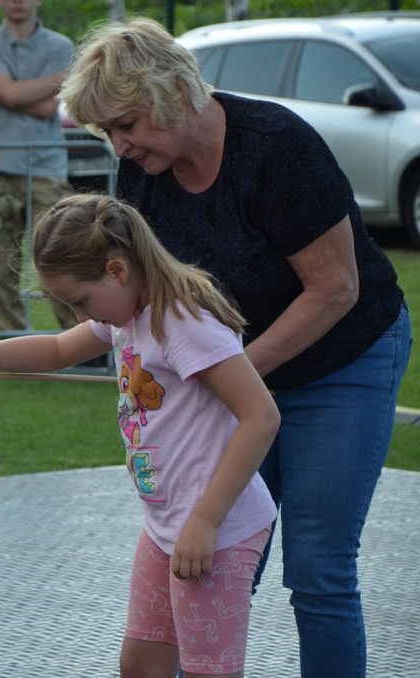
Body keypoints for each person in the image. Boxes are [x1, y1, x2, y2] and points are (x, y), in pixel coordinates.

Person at [59, 17, 412, 678]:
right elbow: (142, 300)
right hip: (235, 367)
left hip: (344, 358)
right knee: (213, 554)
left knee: (317, 566)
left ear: (169, 90)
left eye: (126, 124)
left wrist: (232, 377)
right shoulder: (143, 180)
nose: (119, 146)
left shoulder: (275, 146)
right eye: (106, 131)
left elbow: (336, 288)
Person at [0, 193, 280, 678]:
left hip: (217, 529)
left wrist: (206, 522)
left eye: (80, 301)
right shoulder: (127, 316)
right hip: (165, 523)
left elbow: (261, 417)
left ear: (117, 270)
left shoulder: (183, 321)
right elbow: (56, 349)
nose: (78, 315)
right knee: (142, 662)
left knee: (208, 671)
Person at [0, 0, 76, 331]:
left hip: (45, 168)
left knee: (60, 259)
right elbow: (16, 97)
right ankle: (12, 345)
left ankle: (82, 343)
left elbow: (46, 109)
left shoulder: (61, 45)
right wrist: (56, 79)